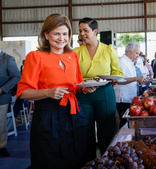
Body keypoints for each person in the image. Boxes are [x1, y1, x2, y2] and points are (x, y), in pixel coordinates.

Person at [17, 13, 93, 169]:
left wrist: (85, 88)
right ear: (46, 34)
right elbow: (23, 92)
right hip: (48, 115)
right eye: (56, 33)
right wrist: (48, 92)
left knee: (75, 156)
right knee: (48, 158)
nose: (61, 38)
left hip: (73, 114)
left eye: (65, 34)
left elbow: (77, 84)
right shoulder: (35, 56)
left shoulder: (72, 56)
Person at [74, 17, 124, 159]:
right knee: (84, 130)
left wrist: (113, 79)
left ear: (95, 31)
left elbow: (118, 72)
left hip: (104, 92)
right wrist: (84, 83)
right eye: (80, 30)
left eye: (86, 30)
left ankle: (107, 160)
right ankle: (87, 162)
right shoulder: (76, 52)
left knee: (107, 130)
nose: (82, 33)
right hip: (83, 94)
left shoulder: (108, 50)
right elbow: (72, 76)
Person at [115, 43, 144, 127]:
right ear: (130, 52)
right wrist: (136, 78)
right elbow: (119, 80)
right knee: (124, 122)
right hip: (123, 98)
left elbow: (130, 78)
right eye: (137, 53)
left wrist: (139, 81)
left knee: (128, 122)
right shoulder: (122, 61)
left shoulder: (129, 62)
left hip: (129, 97)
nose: (138, 56)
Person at [0, 51, 20, 157]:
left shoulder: (8, 59)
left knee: (0, 124)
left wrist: (2, 89)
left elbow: (17, 77)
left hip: (1, 98)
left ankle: (1, 146)